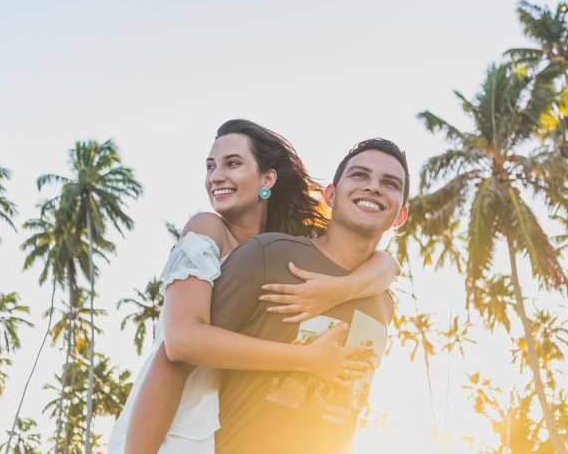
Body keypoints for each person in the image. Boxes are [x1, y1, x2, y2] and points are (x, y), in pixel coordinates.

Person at [108, 120, 401, 454]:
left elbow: (388, 265)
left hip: (219, 419)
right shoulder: (208, 228)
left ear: (268, 179)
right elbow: (180, 341)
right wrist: (305, 358)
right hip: (171, 421)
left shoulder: (279, 249)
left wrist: (338, 289)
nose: (216, 175)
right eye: (210, 166)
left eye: (232, 163)